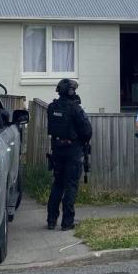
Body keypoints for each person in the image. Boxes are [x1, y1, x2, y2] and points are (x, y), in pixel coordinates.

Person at [46, 79, 93, 230]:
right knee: (71, 185)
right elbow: (87, 131)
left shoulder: (52, 107)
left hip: (57, 149)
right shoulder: (75, 108)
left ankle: (51, 220)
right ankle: (67, 222)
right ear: (71, 91)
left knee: (58, 184)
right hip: (72, 150)